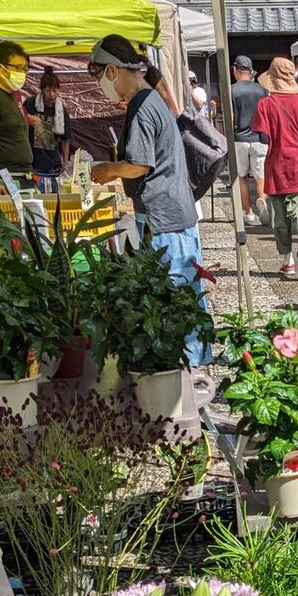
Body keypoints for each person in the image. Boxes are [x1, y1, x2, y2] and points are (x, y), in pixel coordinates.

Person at [87, 34, 210, 367]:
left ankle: (189, 375)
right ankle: (192, 369)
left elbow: (140, 164)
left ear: (113, 71)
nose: (102, 88)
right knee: (186, 296)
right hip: (172, 212)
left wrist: (108, 169)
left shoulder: (141, 106)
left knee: (176, 298)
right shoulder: (151, 99)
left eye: (100, 78)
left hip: (163, 217)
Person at [252, 57, 298, 281]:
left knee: (279, 216)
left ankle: (287, 261)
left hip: (276, 165)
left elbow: (263, 137)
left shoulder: (265, 104)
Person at [231, 54, 269, 227]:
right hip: (260, 137)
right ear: (251, 71)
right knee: (261, 177)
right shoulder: (262, 90)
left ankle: (249, 212)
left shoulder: (232, 90)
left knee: (241, 177)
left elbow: (231, 117)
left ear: (235, 70)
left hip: (240, 138)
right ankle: (263, 205)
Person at [23, 66, 71, 189]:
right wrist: (28, 119)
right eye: (48, 91)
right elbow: (20, 125)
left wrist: (65, 162)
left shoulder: (61, 110)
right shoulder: (30, 104)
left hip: (53, 162)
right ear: (42, 90)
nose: (51, 95)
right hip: (33, 162)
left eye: (55, 91)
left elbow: (66, 139)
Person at [0, 40, 33, 176]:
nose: (22, 73)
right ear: (0, 68)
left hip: (21, 176)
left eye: (24, 69)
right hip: (4, 178)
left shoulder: (11, 96)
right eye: (18, 68)